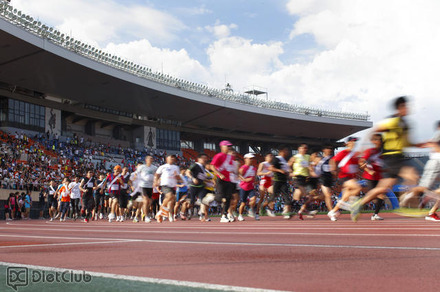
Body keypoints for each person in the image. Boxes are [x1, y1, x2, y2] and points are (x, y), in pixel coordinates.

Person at [351, 96, 422, 221]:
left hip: (395, 158)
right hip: (393, 157)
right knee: (413, 176)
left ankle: (359, 204)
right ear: (400, 107)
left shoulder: (404, 124)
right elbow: (375, 130)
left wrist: (420, 145)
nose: (408, 108)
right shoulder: (393, 121)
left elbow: (407, 143)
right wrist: (362, 148)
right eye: (406, 106)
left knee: (382, 189)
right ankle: (405, 206)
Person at [327, 137, 361, 221]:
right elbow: (332, 160)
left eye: (355, 142)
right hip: (344, 177)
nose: (353, 143)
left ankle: (332, 212)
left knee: (345, 197)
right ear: (347, 143)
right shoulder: (344, 152)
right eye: (352, 142)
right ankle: (349, 206)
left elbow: (357, 166)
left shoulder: (355, 154)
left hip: (352, 177)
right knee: (358, 187)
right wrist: (333, 170)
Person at [359, 134, 385, 220]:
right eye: (378, 140)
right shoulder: (370, 151)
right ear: (373, 142)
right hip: (370, 177)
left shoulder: (383, 152)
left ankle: (375, 215)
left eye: (381, 140)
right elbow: (361, 162)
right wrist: (369, 170)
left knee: (381, 195)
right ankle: (358, 205)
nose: (380, 142)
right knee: (372, 196)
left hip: (379, 177)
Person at [210, 140, 236, 223]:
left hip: (229, 180)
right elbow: (212, 166)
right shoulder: (218, 156)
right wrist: (219, 174)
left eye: (229, 146)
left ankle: (224, 215)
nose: (229, 148)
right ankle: (210, 198)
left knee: (228, 198)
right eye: (227, 146)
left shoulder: (230, 157)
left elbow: (230, 168)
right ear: (222, 147)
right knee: (220, 198)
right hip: (220, 179)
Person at [267, 145, 293, 219]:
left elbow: (287, 171)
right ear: (282, 151)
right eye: (286, 150)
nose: (287, 152)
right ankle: (265, 207)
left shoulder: (284, 160)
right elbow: (271, 167)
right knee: (274, 196)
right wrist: (280, 170)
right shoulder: (277, 159)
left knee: (287, 197)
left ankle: (286, 212)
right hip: (277, 181)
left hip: (284, 181)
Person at [154, 155, 181, 222]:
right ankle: (160, 212)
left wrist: (176, 176)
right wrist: (156, 181)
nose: (172, 159)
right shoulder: (162, 167)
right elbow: (157, 175)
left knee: (171, 202)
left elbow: (178, 178)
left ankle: (165, 215)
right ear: (167, 159)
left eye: (173, 158)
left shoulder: (176, 167)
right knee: (170, 196)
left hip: (173, 186)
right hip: (165, 185)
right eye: (170, 158)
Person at [185, 153, 208, 220]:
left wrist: (210, 181)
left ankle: (202, 214)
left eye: (206, 158)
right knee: (191, 202)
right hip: (193, 186)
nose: (205, 159)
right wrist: (193, 178)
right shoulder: (195, 165)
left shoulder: (204, 167)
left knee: (203, 200)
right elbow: (187, 172)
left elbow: (202, 177)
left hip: (201, 186)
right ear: (199, 159)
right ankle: (189, 212)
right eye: (203, 158)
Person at [238, 153, 259, 221]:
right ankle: (240, 215)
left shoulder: (254, 168)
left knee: (254, 199)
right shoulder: (242, 168)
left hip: (251, 187)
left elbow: (255, 176)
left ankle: (250, 209)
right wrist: (244, 179)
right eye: (249, 158)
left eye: (252, 158)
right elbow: (238, 175)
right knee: (243, 203)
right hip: (243, 187)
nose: (251, 160)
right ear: (245, 159)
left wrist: (255, 181)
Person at [136, 155, 157, 223]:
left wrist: (156, 181)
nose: (151, 160)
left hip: (150, 186)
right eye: (149, 159)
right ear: (146, 160)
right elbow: (136, 174)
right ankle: (146, 216)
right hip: (143, 186)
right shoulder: (142, 167)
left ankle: (142, 213)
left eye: (151, 159)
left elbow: (157, 175)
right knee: (146, 201)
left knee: (149, 202)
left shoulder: (154, 167)